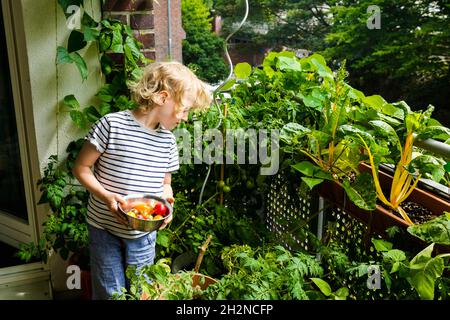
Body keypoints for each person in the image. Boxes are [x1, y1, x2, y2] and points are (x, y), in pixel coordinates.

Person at [72, 61, 212, 299]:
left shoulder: (167, 142)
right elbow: (81, 168)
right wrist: (106, 196)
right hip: (104, 228)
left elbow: (165, 183)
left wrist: (168, 203)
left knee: (141, 291)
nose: (186, 118)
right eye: (185, 109)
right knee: (109, 293)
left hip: (144, 235)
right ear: (162, 98)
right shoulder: (111, 125)